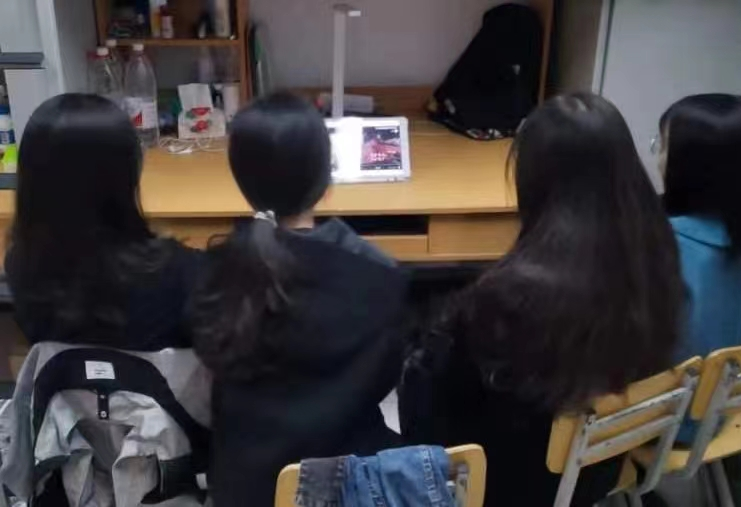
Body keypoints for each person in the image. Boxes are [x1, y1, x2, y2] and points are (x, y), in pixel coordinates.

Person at [399, 93, 684, 506]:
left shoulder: (512, 294)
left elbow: (446, 408)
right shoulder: (658, 255)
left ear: (534, 179)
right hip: (598, 466)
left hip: (508, 484)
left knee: (418, 368)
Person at [190, 92, 408, 506]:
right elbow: (387, 379)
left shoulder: (212, 274)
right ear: (325, 177)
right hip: (349, 486)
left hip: (245, 488)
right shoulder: (379, 276)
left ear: (241, 179)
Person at [6, 93, 200, 350]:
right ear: (125, 174)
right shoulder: (174, 269)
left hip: (66, 376)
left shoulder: (20, 263)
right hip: (157, 378)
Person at [658, 94, 741, 361]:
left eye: (663, 146)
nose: (658, 159)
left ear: (690, 167)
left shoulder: (661, 240)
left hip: (668, 385)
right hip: (732, 380)